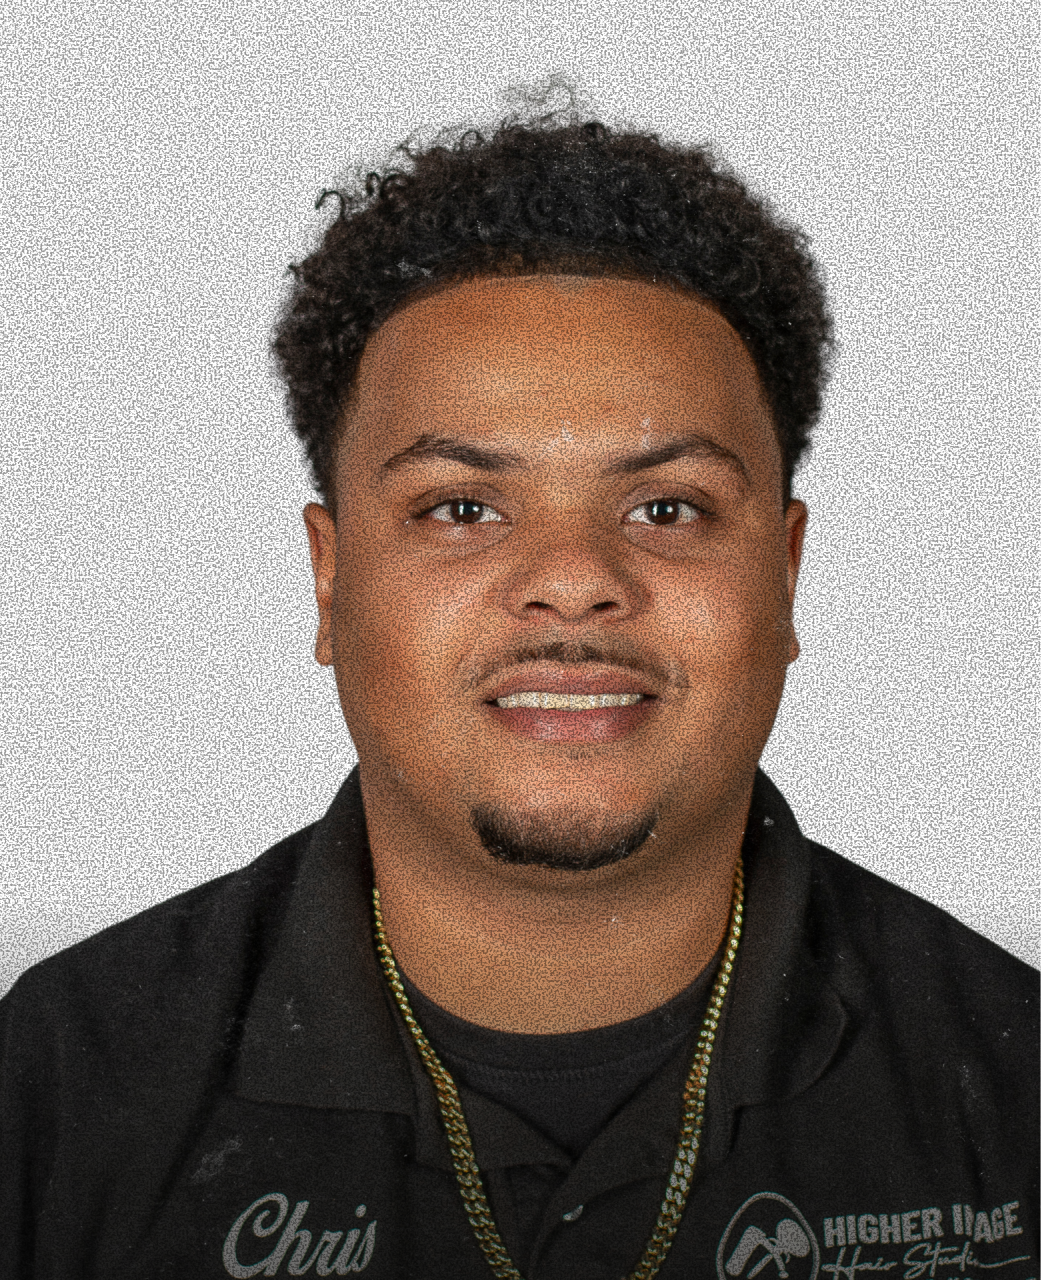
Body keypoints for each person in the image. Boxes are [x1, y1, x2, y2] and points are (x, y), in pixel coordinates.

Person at [2, 89, 1039, 1280]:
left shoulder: (1012, 1083)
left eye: (667, 508)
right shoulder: (59, 1087)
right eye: (462, 507)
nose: (574, 580)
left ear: (786, 574)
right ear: (331, 580)